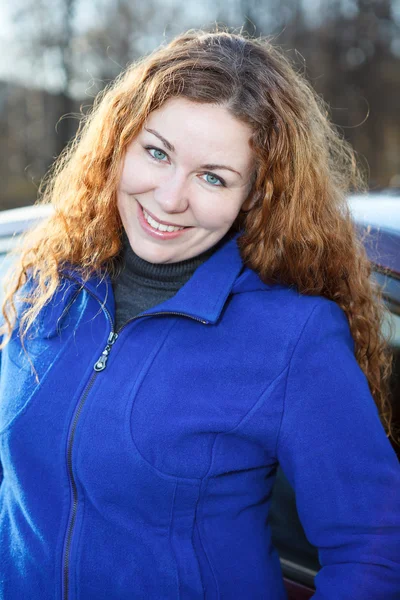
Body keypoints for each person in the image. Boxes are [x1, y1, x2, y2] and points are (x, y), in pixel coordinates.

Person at [0, 28, 399, 600]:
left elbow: (374, 546)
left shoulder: (292, 337)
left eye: (213, 177)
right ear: (119, 145)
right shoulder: (44, 284)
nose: (169, 198)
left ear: (256, 196)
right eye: (156, 153)